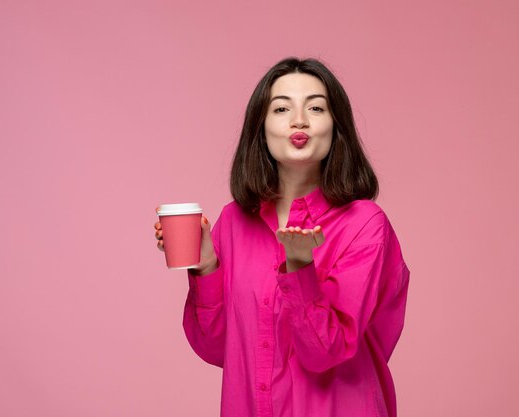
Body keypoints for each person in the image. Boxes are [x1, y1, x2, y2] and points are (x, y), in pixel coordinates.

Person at [154, 57, 410, 417]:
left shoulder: (365, 225)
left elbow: (326, 352)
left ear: (337, 127)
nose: (299, 120)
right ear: (260, 128)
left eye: (316, 107)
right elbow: (217, 349)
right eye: (281, 108)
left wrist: (300, 267)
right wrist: (206, 268)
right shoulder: (233, 222)